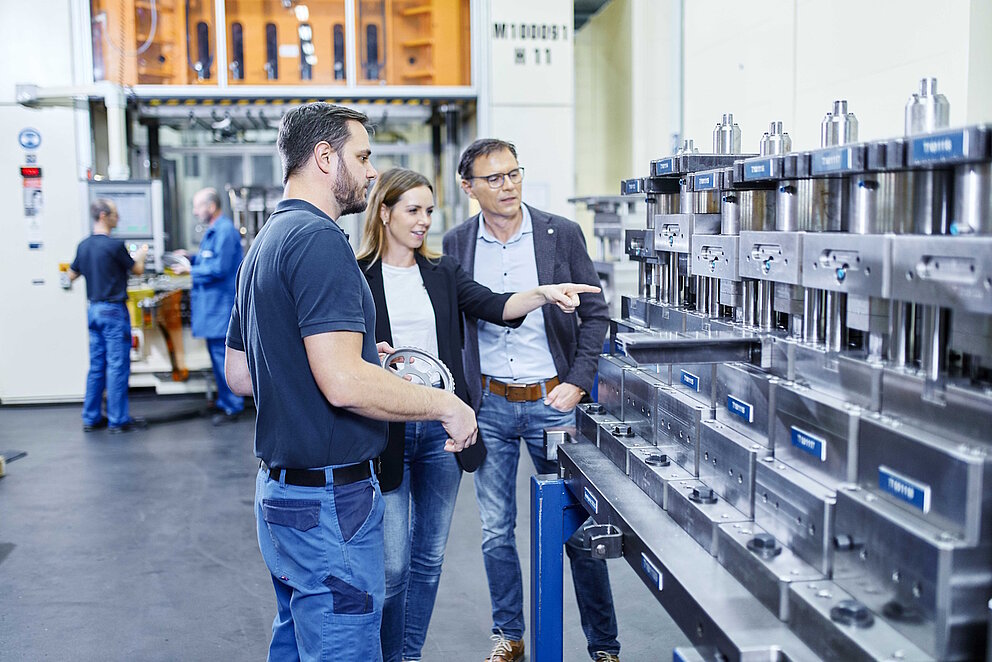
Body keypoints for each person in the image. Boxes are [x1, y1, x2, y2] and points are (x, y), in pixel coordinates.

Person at [222, 103, 478, 661]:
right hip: (331, 507)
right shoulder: (321, 241)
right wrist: (444, 405)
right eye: (361, 157)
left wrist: (362, 357)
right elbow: (341, 384)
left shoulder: (265, 242)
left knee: (297, 641)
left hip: (282, 498)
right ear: (323, 158)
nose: (368, 172)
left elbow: (241, 374)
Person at [355, 167, 599, 662]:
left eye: (429, 211)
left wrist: (543, 293)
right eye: (413, 211)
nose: (424, 221)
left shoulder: (442, 272)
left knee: (427, 559)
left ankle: (407, 655)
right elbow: (339, 350)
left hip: (445, 430)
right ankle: (385, 655)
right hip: (389, 431)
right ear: (383, 212)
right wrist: (370, 357)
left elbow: (495, 305)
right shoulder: (356, 274)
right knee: (394, 566)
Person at [443, 139, 620, 662]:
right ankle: (509, 636)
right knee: (497, 531)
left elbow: (594, 314)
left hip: (553, 399)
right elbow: (453, 325)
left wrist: (580, 380)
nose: (508, 186)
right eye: (494, 178)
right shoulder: (456, 245)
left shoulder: (558, 234)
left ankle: (604, 646)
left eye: (514, 174)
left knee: (578, 528)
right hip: (490, 405)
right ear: (468, 186)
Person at [67, 199, 149, 434]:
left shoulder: (83, 246)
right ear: (103, 215)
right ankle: (117, 419)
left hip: (93, 310)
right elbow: (137, 270)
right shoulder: (114, 247)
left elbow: (71, 276)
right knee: (117, 366)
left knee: (96, 366)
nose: (118, 218)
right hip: (113, 311)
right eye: (115, 214)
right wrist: (142, 254)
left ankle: (91, 417)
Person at [170, 188, 245, 425]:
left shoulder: (224, 232)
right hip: (211, 310)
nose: (194, 212)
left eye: (197, 206)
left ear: (211, 207)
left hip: (220, 309)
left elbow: (219, 268)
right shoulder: (213, 232)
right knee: (217, 359)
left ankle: (233, 406)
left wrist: (190, 269)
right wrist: (191, 256)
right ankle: (224, 402)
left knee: (224, 358)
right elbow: (209, 258)